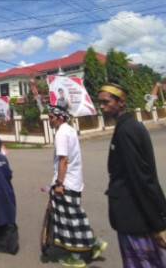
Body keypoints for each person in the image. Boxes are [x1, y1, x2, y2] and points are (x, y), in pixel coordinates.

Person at [98, 83, 166, 267]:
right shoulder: (125, 127)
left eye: (106, 102)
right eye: (100, 102)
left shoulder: (127, 131)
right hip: (132, 219)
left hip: (137, 221)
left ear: (121, 102)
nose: (102, 106)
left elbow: (142, 178)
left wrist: (158, 224)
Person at [47, 105, 106, 267]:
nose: (49, 120)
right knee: (77, 218)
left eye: (51, 117)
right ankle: (95, 244)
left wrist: (59, 183)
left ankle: (76, 258)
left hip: (66, 184)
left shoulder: (61, 133)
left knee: (70, 222)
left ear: (60, 118)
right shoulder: (70, 130)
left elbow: (63, 160)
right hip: (75, 181)